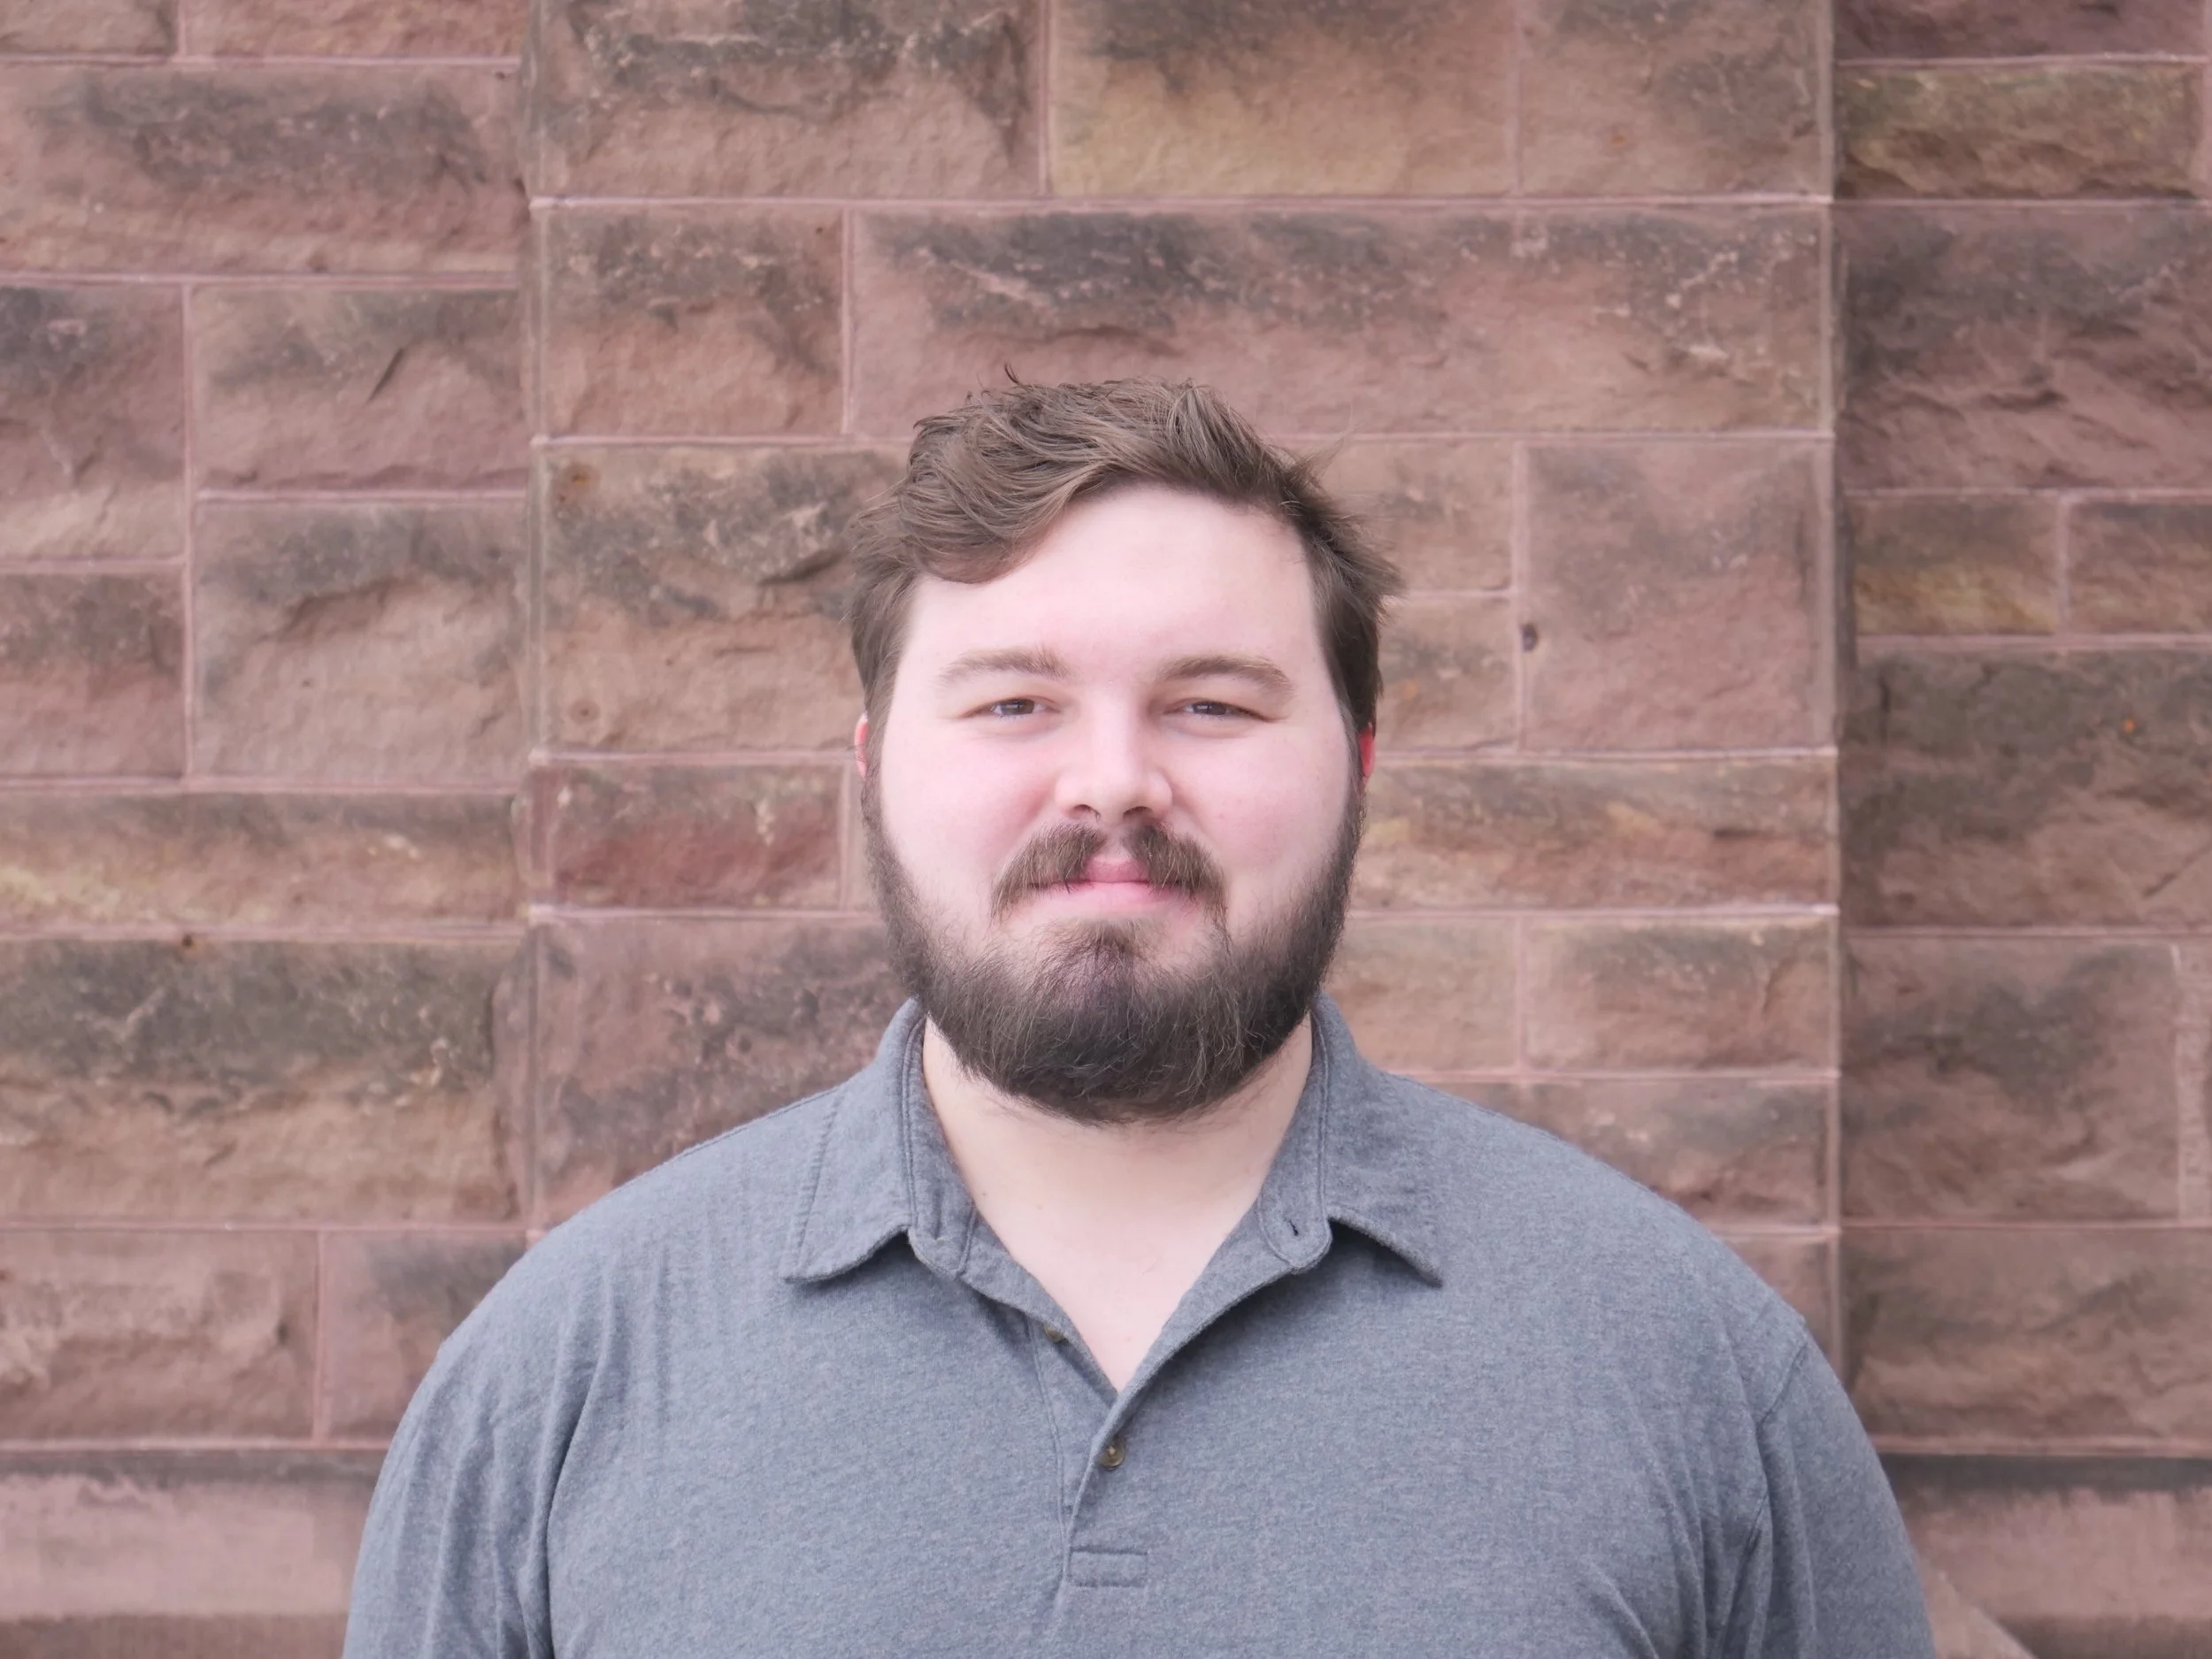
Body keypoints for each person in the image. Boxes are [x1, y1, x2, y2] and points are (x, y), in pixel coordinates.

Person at [344, 380, 1935, 1658]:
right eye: (1014, 702)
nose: (1112, 780)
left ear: (1359, 764)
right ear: (872, 769)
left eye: (1211, 703)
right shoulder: (557, 1376)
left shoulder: (1690, 1365)